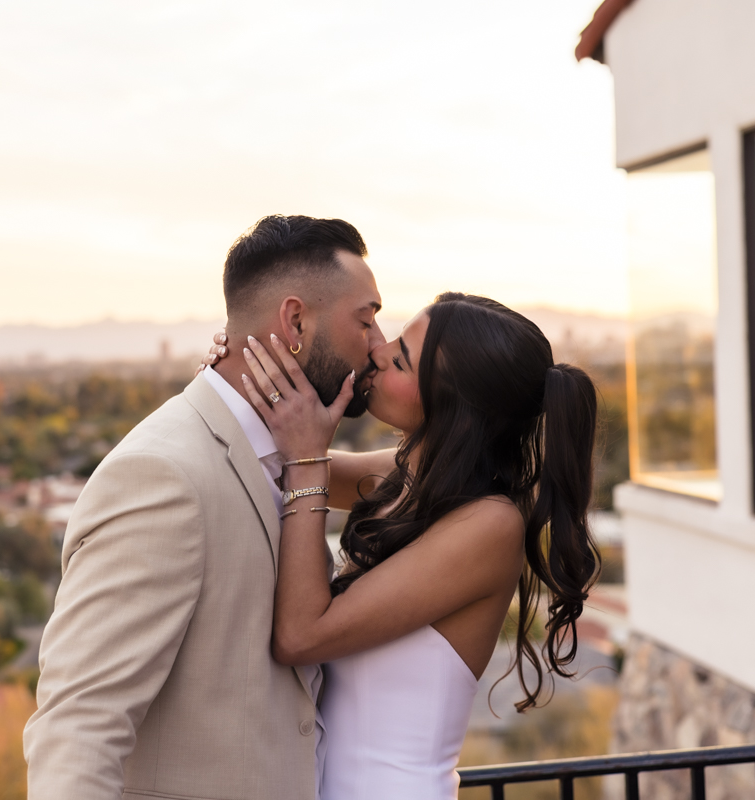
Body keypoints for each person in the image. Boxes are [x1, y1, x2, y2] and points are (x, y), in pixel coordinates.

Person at [24, 214, 385, 800]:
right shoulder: (162, 475)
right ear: (295, 321)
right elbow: (78, 727)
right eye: (365, 320)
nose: (377, 345)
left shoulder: (286, 456)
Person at [214, 292, 599, 799]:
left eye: (400, 359)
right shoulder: (406, 481)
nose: (378, 350)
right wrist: (235, 371)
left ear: (451, 404)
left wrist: (307, 458)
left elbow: (302, 635)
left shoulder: (491, 524)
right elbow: (273, 457)